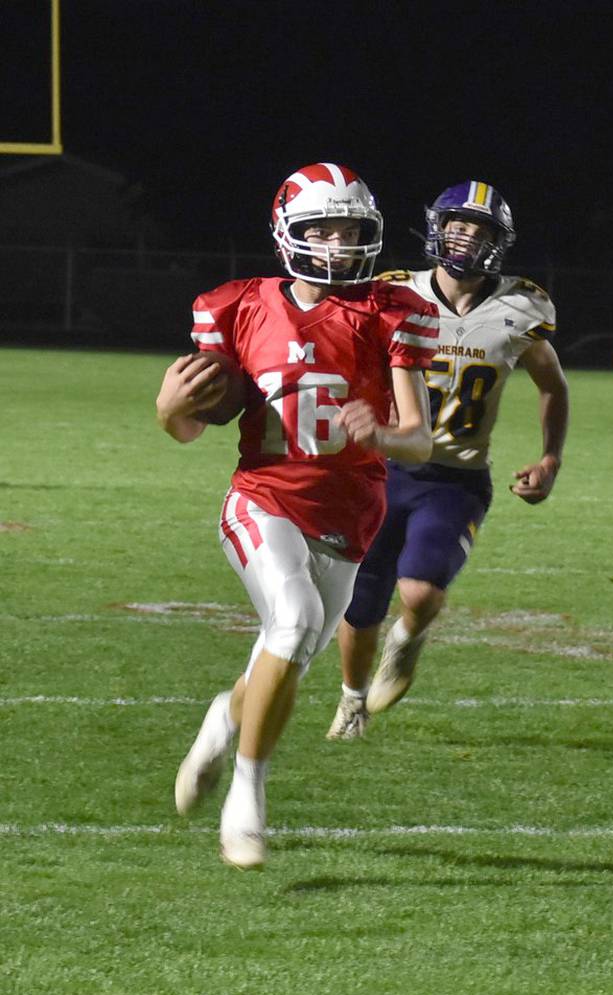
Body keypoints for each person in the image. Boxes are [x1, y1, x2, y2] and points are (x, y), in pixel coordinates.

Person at [159, 162, 438, 869]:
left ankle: (224, 719)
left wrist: (379, 435)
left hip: (352, 510)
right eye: (325, 228)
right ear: (290, 233)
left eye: (352, 229)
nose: (341, 243)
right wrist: (170, 412)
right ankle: (247, 796)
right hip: (264, 496)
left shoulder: (392, 310)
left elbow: (420, 439)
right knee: (295, 621)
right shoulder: (240, 305)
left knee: (290, 654)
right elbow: (196, 425)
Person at [326, 180, 569, 740]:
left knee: (421, 592)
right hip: (379, 470)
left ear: (497, 241)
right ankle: (351, 699)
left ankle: (407, 641)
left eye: (477, 229)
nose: (463, 238)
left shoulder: (522, 306)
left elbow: (552, 385)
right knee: (361, 606)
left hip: (454, 477)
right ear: (435, 227)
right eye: (456, 225)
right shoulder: (388, 293)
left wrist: (550, 457)